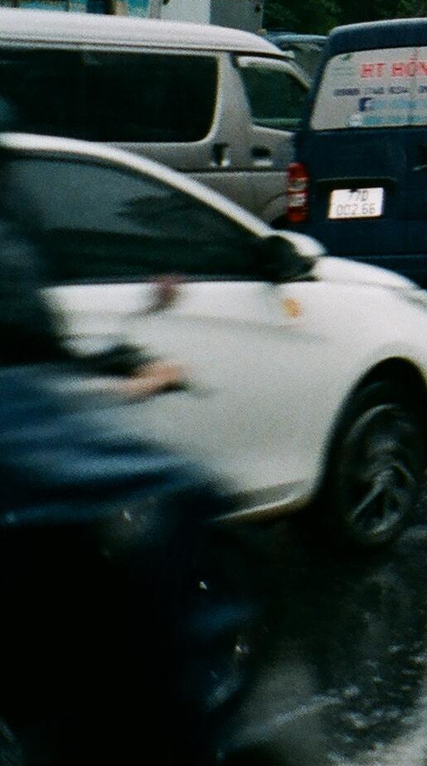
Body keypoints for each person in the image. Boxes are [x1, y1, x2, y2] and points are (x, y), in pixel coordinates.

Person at [0, 137, 233, 763]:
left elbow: (36, 344)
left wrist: (120, 359)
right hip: (27, 445)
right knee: (187, 492)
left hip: (34, 444)